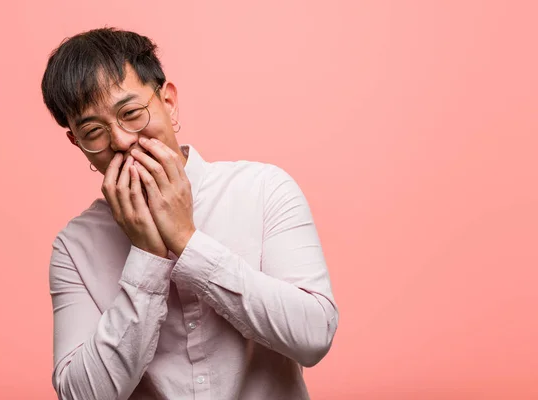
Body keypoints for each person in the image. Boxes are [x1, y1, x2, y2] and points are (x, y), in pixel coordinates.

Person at [42, 27, 338, 400]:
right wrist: (147, 257)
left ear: (168, 103)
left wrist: (187, 242)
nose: (120, 140)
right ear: (77, 143)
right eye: (93, 131)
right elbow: (81, 395)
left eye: (131, 113)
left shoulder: (264, 189)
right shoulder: (74, 246)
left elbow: (314, 337)